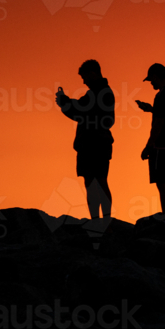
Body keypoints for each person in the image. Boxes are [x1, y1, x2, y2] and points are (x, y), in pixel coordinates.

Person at [55, 59, 115, 219]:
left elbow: (81, 111)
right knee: (93, 183)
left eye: (85, 76)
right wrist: (66, 104)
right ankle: (99, 220)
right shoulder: (99, 93)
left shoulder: (101, 93)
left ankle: (104, 220)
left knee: (98, 182)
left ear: (93, 73)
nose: (84, 81)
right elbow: (80, 111)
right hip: (94, 143)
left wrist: (65, 103)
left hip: (94, 144)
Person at [135, 63, 165, 221]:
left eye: (151, 80)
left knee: (162, 184)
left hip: (161, 146)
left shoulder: (161, 95)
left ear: (156, 77)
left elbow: (160, 122)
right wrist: (151, 109)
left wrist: (149, 145)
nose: (151, 83)